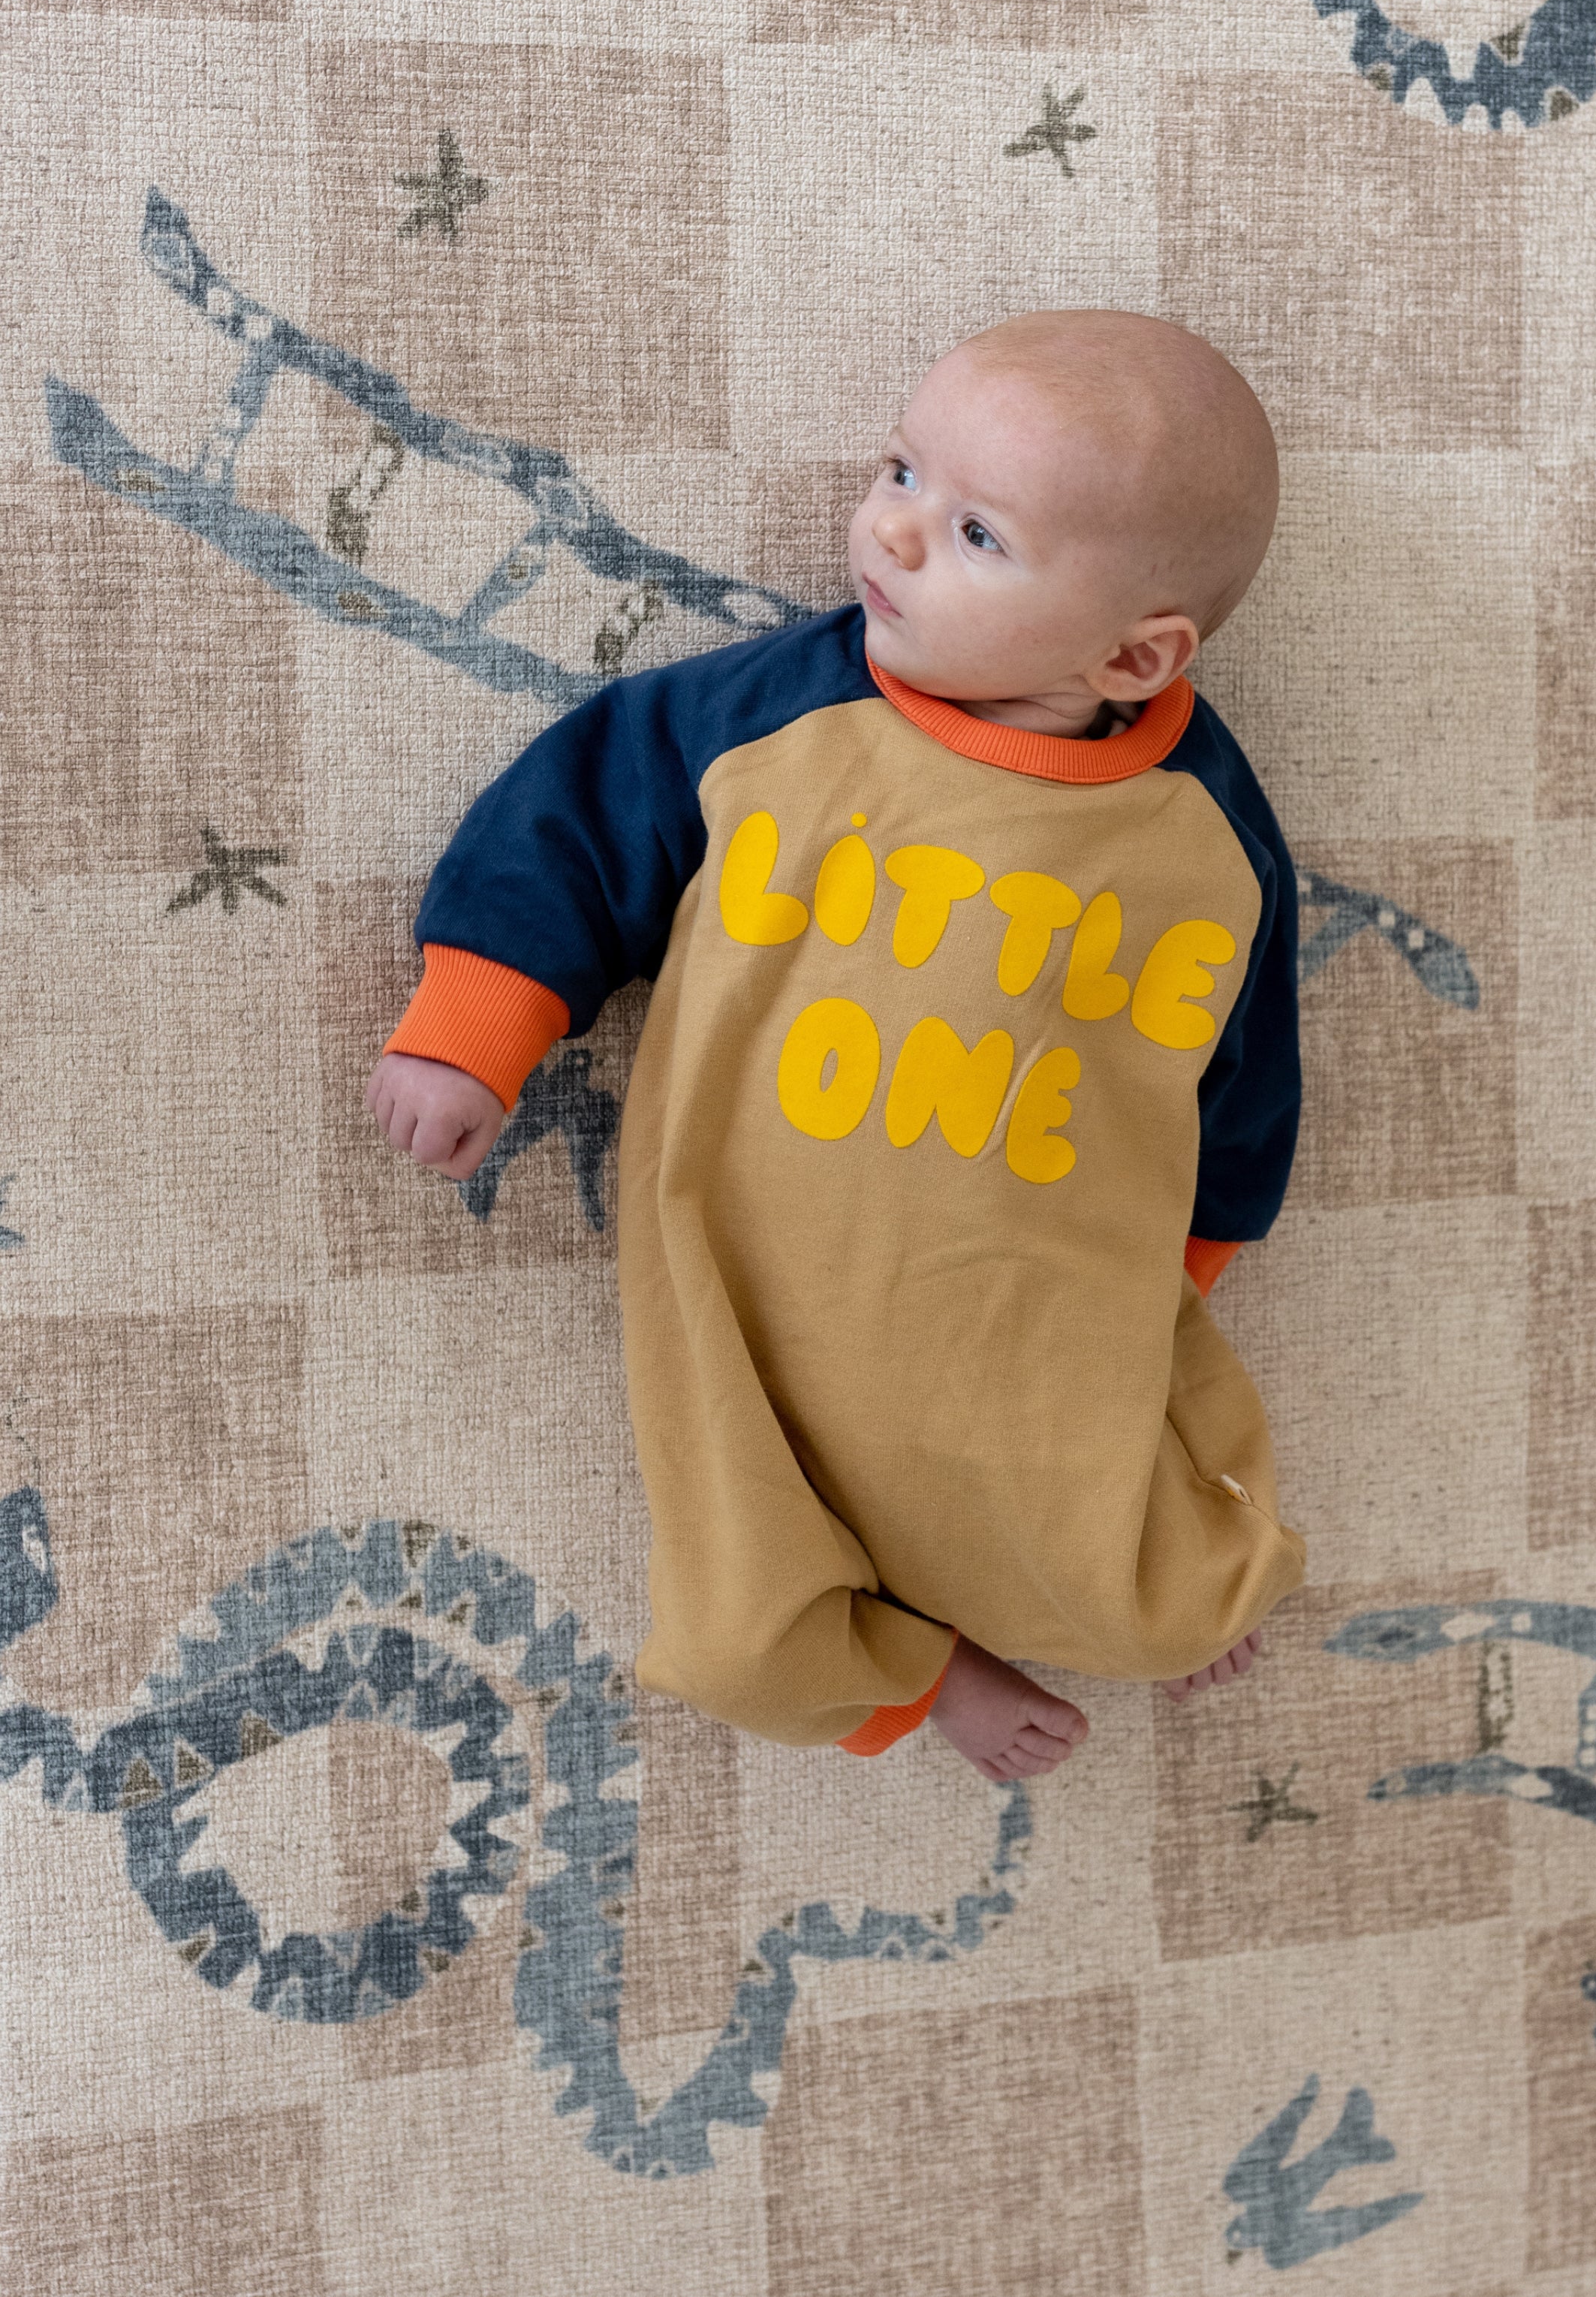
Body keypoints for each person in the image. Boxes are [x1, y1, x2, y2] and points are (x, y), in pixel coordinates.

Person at [366, 311, 1303, 1783]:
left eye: (979, 532)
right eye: (900, 472)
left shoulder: (1203, 834)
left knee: (1146, 1575)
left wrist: (1185, 1267)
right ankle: (922, 1669)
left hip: (1029, 1292)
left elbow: (1248, 1061)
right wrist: (479, 1026)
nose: (895, 534)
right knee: (741, 1622)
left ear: (1137, 650)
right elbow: (585, 814)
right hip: (744, 1280)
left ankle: (1145, 1604)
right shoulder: (777, 716)